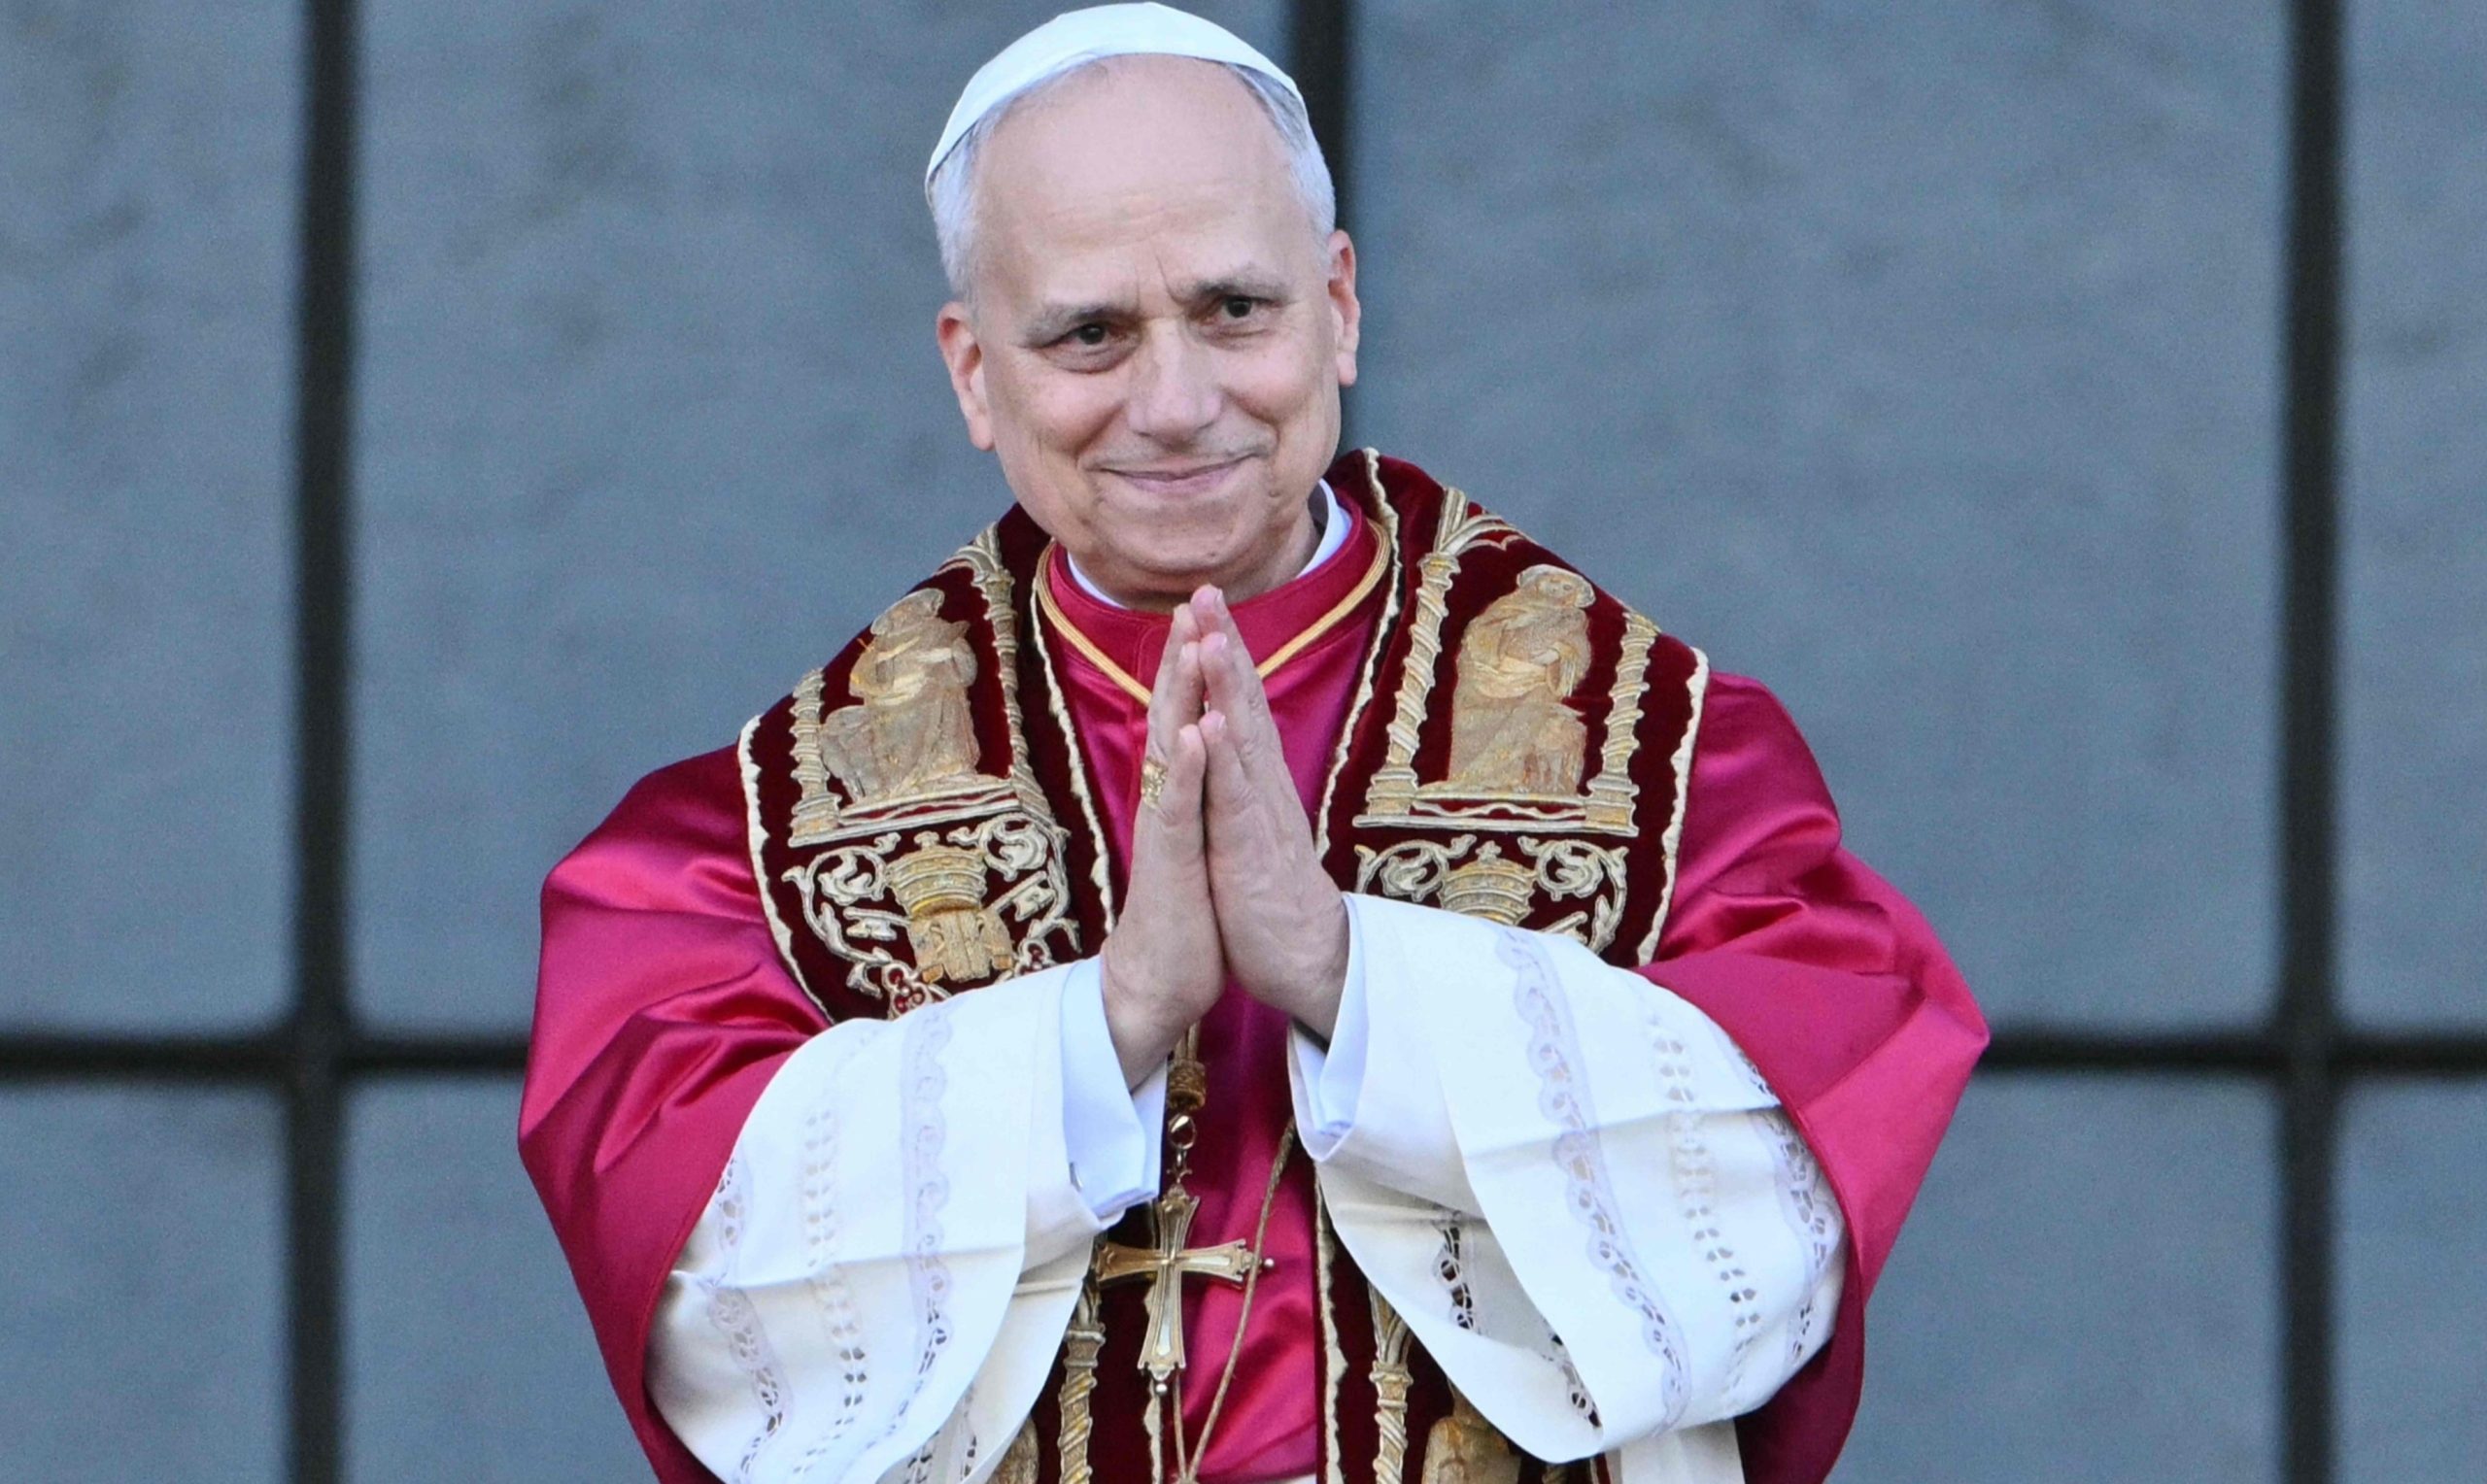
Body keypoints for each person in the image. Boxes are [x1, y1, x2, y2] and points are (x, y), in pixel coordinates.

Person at [519, 7, 1987, 1483]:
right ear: (973, 371)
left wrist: (1351, 977)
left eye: (1234, 310)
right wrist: (1103, 1026)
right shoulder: (750, 847)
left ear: (1338, 306)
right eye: (1090, 334)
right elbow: (705, 1295)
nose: (1175, 404)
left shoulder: (1668, 760)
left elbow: (1791, 1206)